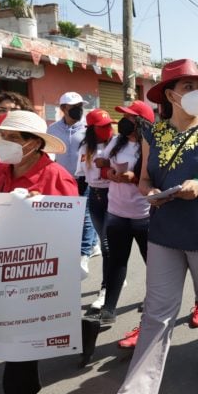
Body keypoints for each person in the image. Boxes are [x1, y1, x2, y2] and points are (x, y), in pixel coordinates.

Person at [113, 59, 198, 394]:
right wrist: (147, 192)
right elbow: (146, 178)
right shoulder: (153, 133)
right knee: (157, 313)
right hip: (163, 234)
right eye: (187, 87)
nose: (196, 93)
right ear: (170, 95)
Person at [0, 110, 77, 394]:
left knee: (20, 335)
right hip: (2, 262)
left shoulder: (55, 176)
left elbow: (69, 228)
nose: (4, 143)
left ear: (35, 144)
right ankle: (26, 386)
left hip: (35, 271)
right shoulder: (4, 171)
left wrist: (40, 210)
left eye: (13, 138)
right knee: (11, 332)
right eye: (3, 136)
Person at [87, 101, 153, 328]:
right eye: (125, 117)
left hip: (143, 215)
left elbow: (153, 178)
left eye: (131, 118)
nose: (124, 122)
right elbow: (103, 164)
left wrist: (132, 178)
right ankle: (109, 310)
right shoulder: (117, 141)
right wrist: (109, 171)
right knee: (116, 261)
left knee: (151, 262)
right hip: (116, 212)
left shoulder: (150, 145)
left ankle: (153, 301)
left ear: (142, 122)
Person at [48, 92, 98, 279]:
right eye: (74, 107)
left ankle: (83, 254)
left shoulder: (88, 127)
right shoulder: (52, 130)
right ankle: (90, 244)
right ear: (63, 109)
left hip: (84, 178)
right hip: (62, 180)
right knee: (68, 215)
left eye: (80, 106)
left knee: (84, 215)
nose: (79, 110)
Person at [76, 109, 115, 310]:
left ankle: (106, 289)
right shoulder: (85, 148)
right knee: (104, 243)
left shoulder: (118, 144)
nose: (108, 130)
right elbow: (81, 176)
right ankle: (117, 276)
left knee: (107, 246)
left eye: (109, 125)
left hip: (115, 197)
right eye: (102, 127)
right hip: (95, 198)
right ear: (92, 129)